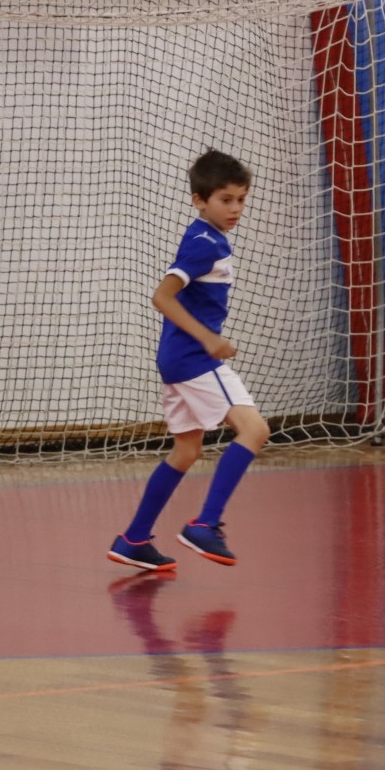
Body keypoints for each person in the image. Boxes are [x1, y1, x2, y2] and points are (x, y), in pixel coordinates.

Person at [108, 150, 271, 570]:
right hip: (195, 358)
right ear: (200, 200)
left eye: (241, 199)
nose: (235, 208)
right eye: (225, 200)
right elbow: (162, 297)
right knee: (254, 429)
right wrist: (208, 339)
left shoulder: (207, 238)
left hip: (177, 359)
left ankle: (134, 539)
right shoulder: (204, 245)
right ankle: (205, 524)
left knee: (185, 450)